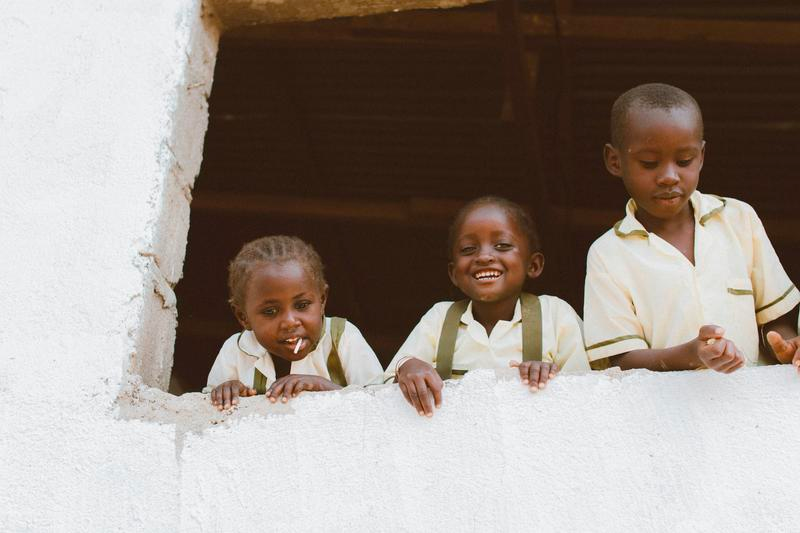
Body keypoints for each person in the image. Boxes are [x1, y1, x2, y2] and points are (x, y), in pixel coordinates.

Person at [583, 82, 800, 372]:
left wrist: (786, 346)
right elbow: (621, 359)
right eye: (649, 163)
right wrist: (692, 354)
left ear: (701, 156)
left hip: (751, 406)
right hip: (664, 414)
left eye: (684, 161)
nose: (669, 176)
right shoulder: (608, 254)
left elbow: (774, 318)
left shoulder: (738, 219)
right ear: (614, 161)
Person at [385, 196, 590, 417]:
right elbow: (385, 387)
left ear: (533, 265)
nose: (484, 256)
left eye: (502, 245)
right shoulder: (439, 317)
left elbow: (588, 391)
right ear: (453, 274)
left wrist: (552, 377)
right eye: (468, 249)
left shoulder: (555, 314)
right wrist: (407, 366)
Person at [207, 235, 383, 410]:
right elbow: (207, 413)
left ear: (322, 301)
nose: (290, 322)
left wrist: (321, 386)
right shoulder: (235, 351)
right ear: (243, 317)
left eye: (302, 305)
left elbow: (380, 404)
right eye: (270, 311)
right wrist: (225, 393)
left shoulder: (342, 337)